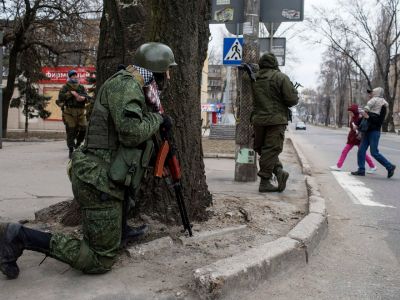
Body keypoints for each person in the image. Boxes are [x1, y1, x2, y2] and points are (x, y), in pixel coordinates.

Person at [0, 42, 177, 279]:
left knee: (121, 206)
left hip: (106, 177)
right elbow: (131, 132)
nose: (169, 75)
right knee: (100, 260)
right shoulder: (126, 87)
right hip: (98, 181)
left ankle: (118, 231)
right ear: (156, 69)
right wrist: (157, 119)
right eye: (167, 70)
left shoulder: (137, 86)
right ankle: (19, 236)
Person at [251, 53, 299, 192]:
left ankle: (278, 172)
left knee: (263, 149)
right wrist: (294, 92)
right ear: (274, 64)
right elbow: (292, 100)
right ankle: (265, 182)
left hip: (258, 120)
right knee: (271, 150)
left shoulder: (254, 78)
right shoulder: (280, 77)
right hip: (276, 121)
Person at [351, 87, 396, 177]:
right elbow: (364, 118)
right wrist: (357, 125)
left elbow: (379, 122)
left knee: (374, 152)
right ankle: (361, 170)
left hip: (374, 132)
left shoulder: (382, 106)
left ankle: (390, 166)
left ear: (376, 94)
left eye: (371, 93)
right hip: (366, 131)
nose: (369, 95)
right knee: (361, 151)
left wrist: (368, 117)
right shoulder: (370, 106)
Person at [330, 104, 376, 173]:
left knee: (360, 152)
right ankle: (372, 166)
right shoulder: (353, 117)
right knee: (350, 151)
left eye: (351, 112)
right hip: (353, 138)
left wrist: (357, 128)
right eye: (349, 112)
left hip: (357, 137)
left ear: (354, 112)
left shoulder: (359, 118)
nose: (350, 114)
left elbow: (362, 127)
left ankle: (372, 166)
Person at [56, 70, 89, 158]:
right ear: (69, 77)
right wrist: (70, 93)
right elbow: (61, 97)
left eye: (75, 75)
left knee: (84, 128)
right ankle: (71, 149)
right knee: (71, 130)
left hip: (80, 111)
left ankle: (78, 144)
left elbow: (86, 97)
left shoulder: (81, 87)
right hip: (69, 112)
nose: (75, 77)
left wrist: (83, 98)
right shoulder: (65, 87)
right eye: (73, 76)